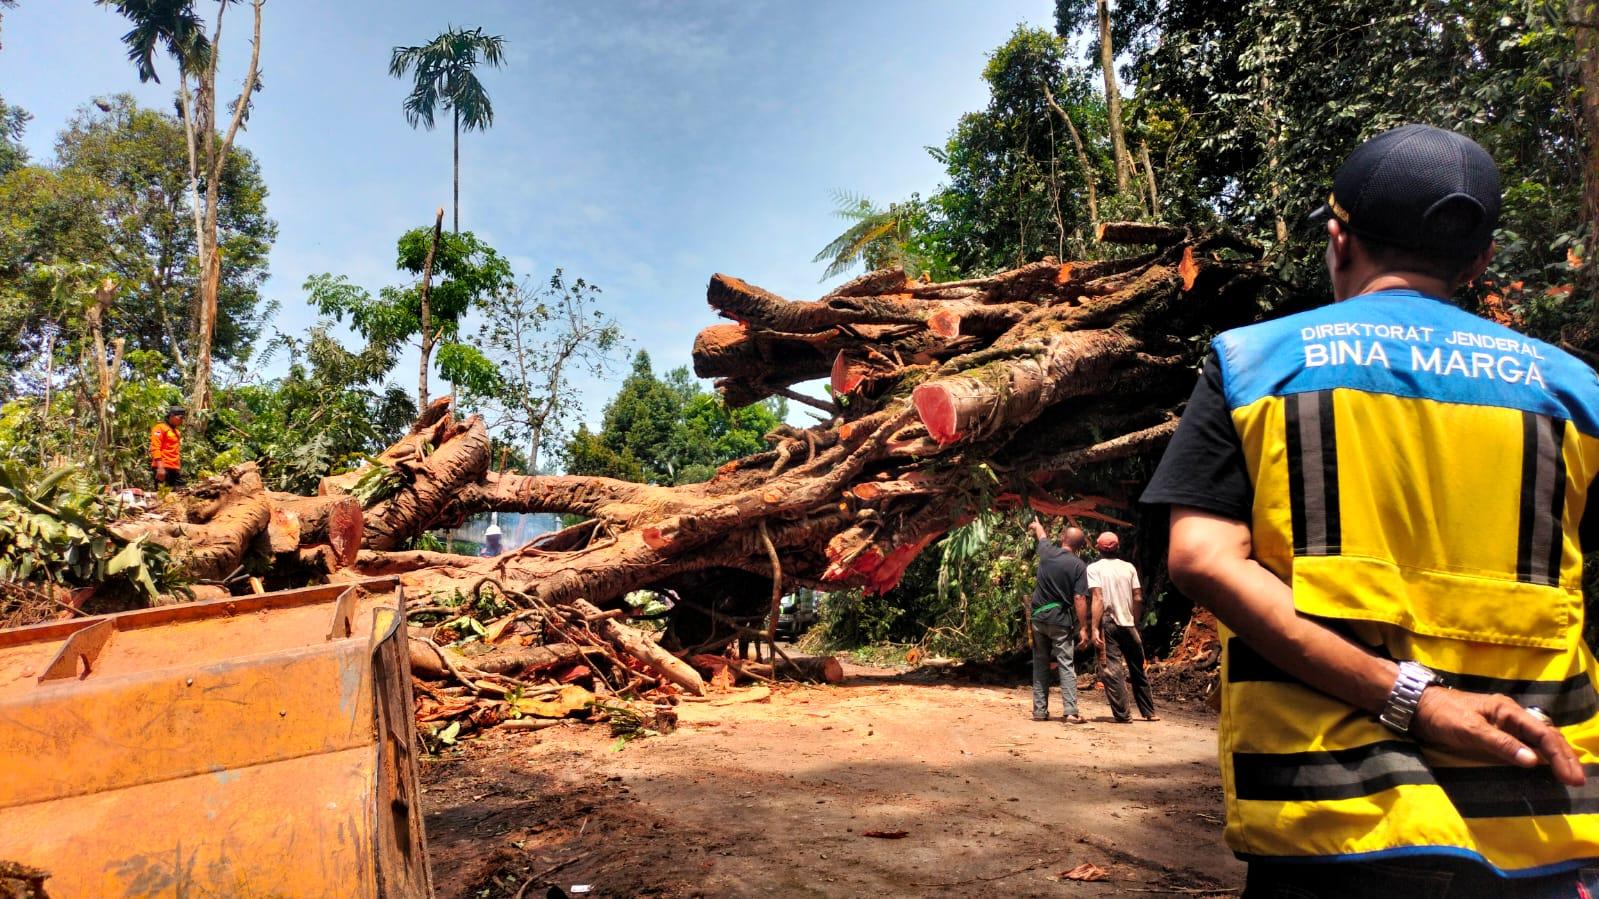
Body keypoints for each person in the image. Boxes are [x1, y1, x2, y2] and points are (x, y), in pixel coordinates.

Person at [1142, 123, 1599, 895]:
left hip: (1331, 821)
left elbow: (1200, 559)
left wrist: (1411, 700)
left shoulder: (1254, 364)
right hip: (1538, 815)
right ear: (1478, 259)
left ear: (1337, 238)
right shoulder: (1577, 392)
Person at [1087, 531, 1157, 723]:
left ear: (1097, 547)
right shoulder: (1129, 568)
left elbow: (1098, 598)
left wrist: (1094, 627)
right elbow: (1138, 597)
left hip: (1108, 622)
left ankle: (1123, 715)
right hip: (1128, 623)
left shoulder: (1094, 568)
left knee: (1111, 669)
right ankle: (1149, 712)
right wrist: (1134, 620)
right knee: (1137, 668)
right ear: (1118, 547)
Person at [1027, 519, 1090, 723]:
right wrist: (1083, 627)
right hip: (1060, 620)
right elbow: (1079, 598)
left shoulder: (1047, 552)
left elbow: (1042, 536)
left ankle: (1039, 711)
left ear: (1063, 538)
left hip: (1038, 618)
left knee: (1040, 663)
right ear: (1080, 547)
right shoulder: (1079, 566)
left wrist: (1037, 526)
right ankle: (1070, 712)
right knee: (1065, 663)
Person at [150, 405, 184, 488]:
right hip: (163, 467)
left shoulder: (176, 432)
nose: (182, 420)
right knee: (163, 496)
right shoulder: (160, 428)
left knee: (180, 495)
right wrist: (160, 467)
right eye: (180, 417)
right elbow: (155, 447)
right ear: (172, 416)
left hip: (174, 468)